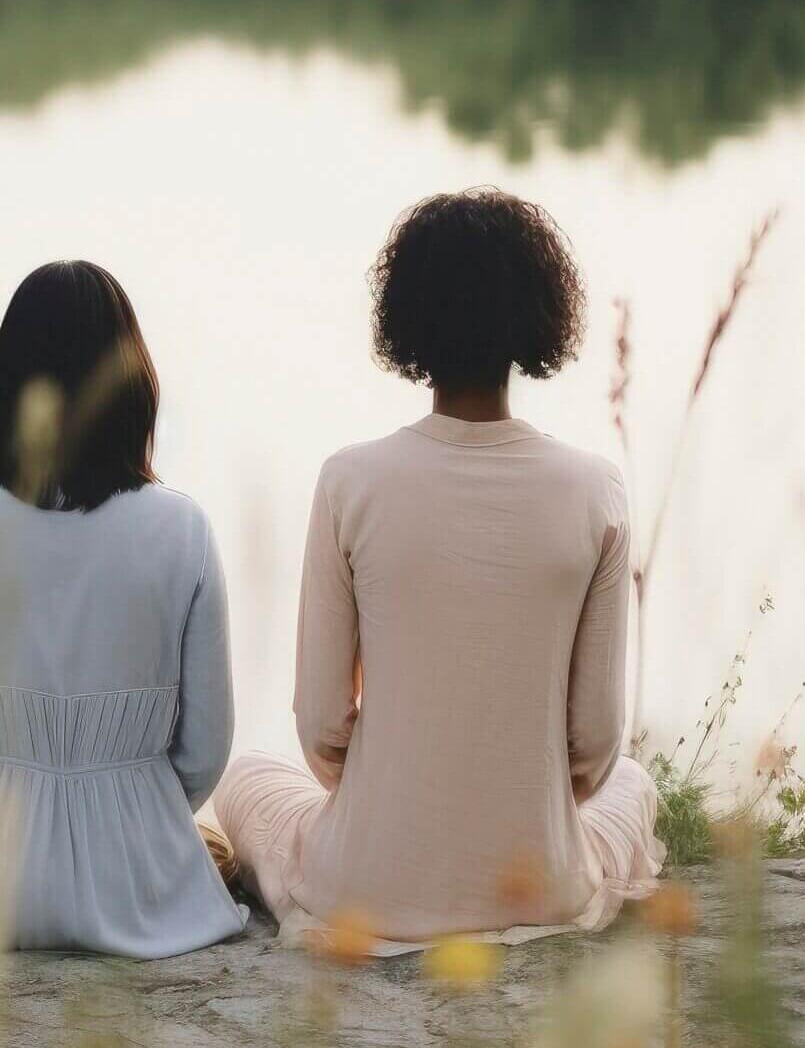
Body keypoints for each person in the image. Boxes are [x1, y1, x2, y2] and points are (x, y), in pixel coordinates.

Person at [213, 189, 664, 953]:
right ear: (536, 315)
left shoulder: (350, 482)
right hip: (542, 884)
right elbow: (593, 749)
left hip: (365, 890)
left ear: (408, 317)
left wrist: (399, 800)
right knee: (636, 785)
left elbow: (322, 729)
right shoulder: (597, 492)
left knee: (247, 775)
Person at [0, 260, 247, 957]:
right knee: (214, 838)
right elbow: (204, 753)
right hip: (137, 886)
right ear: (132, 386)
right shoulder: (184, 529)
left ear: (4, 386)